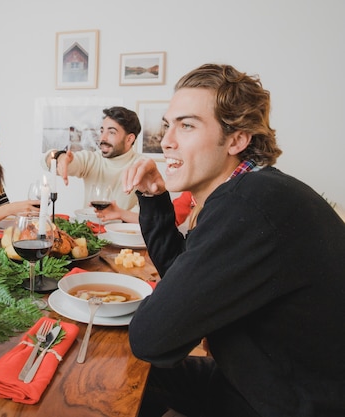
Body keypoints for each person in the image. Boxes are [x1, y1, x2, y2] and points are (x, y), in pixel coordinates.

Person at [122, 63, 345, 417]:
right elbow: (184, 281)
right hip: (256, 381)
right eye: (168, 125)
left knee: (122, 371)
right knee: (128, 372)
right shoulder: (255, 192)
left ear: (237, 139)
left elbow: (152, 337)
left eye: (187, 125)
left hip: (283, 403)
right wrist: (153, 198)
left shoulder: (252, 202)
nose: (166, 140)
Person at [41, 106, 142, 211]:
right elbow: (46, 160)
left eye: (111, 132)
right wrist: (59, 157)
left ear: (129, 139)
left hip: (125, 227)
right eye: (102, 131)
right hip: (88, 226)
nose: (102, 138)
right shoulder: (92, 159)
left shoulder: (143, 166)